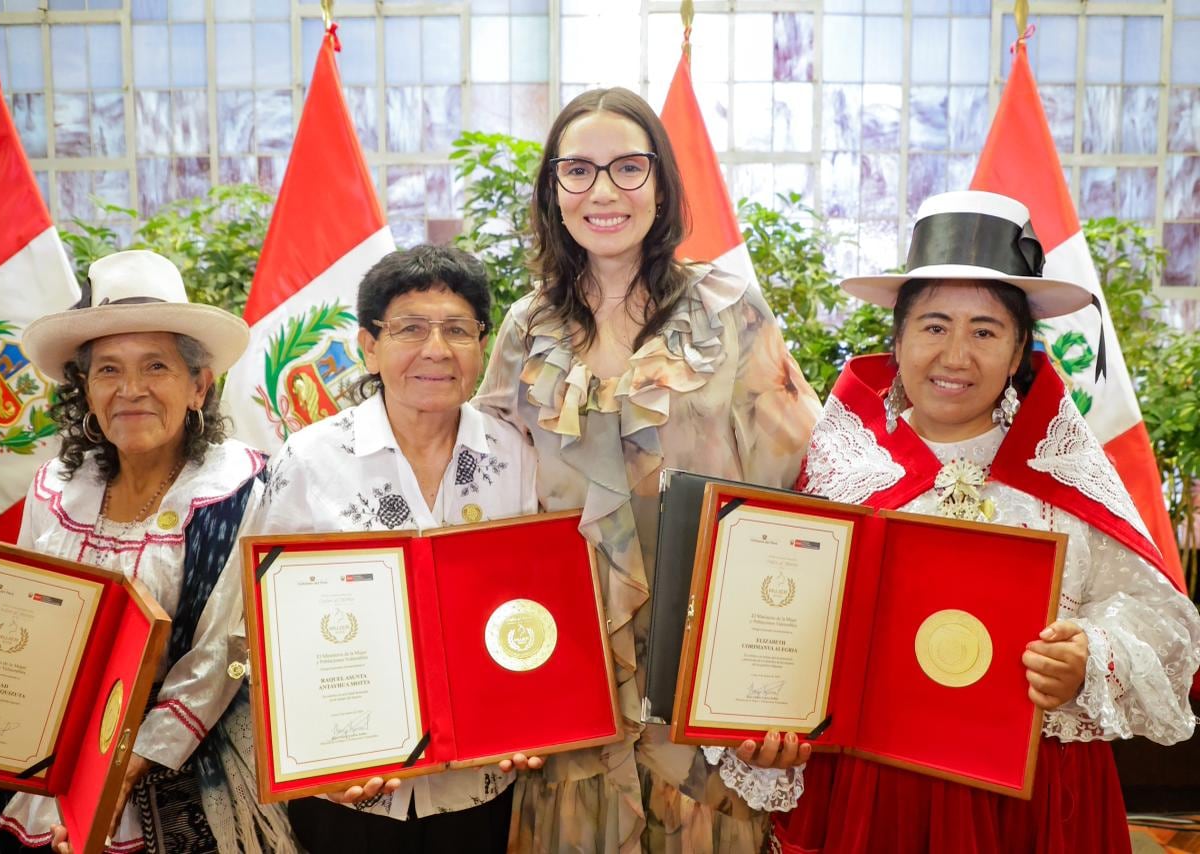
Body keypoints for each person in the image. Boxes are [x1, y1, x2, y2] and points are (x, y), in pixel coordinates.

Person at [776, 190, 1200, 853]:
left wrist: (1087, 655)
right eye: (935, 324)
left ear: (1018, 351)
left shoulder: (1061, 472)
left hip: (1034, 796)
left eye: (985, 330)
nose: (955, 355)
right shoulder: (842, 472)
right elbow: (787, 624)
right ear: (898, 339)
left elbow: (1162, 622)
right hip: (878, 793)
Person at [474, 87, 822, 853]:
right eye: (578, 171)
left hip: (702, 673)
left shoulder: (729, 308)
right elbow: (487, 499)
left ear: (661, 184)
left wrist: (784, 675)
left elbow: (800, 490)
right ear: (552, 191)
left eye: (628, 168)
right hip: (564, 677)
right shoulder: (526, 327)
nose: (603, 191)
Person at [0, 250, 294, 853]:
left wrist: (122, 767)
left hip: (180, 766)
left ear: (199, 384)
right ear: (85, 389)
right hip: (48, 755)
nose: (131, 390)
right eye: (108, 371)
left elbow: (226, 653)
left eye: (157, 366)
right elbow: (19, 623)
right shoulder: (56, 488)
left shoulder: (241, 488)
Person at [244, 244, 539, 854]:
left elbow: (534, 599)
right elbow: (265, 626)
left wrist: (533, 713)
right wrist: (320, 751)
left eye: (457, 329)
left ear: (482, 345)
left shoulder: (518, 456)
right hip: (350, 785)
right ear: (369, 346)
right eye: (410, 328)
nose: (436, 348)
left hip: (481, 781)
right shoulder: (308, 461)